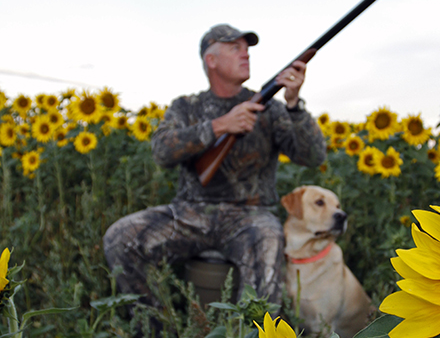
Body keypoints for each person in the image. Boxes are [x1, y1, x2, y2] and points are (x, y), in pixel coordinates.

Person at [103, 24, 327, 317]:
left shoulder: (269, 108)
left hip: (250, 216)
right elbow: (162, 151)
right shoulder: (186, 107)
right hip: (189, 215)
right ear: (211, 60)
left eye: (247, 50)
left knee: (268, 240)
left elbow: (312, 156)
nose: (245, 55)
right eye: (235, 48)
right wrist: (219, 126)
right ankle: (157, 337)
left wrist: (294, 103)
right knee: (120, 237)